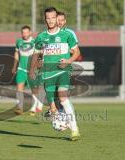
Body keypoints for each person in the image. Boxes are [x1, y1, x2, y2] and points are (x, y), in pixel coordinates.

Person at [29, 7, 81, 141]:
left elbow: (76, 52)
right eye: (48, 18)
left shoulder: (66, 35)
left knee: (63, 98)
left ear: (56, 18)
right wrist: (32, 69)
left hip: (63, 71)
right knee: (53, 108)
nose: (51, 20)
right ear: (45, 19)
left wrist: (69, 60)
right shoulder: (41, 37)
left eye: (53, 17)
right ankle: (61, 120)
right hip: (47, 73)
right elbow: (36, 53)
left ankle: (75, 130)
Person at [12, 25, 43, 115]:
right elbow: (16, 53)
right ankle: (19, 107)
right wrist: (14, 66)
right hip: (21, 68)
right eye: (23, 32)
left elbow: (40, 53)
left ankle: (34, 107)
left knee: (34, 89)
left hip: (32, 70)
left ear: (30, 32)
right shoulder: (19, 42)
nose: (24, 34)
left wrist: (39, 62)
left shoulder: (35, 42)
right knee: (19, 88)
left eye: (26, 32)